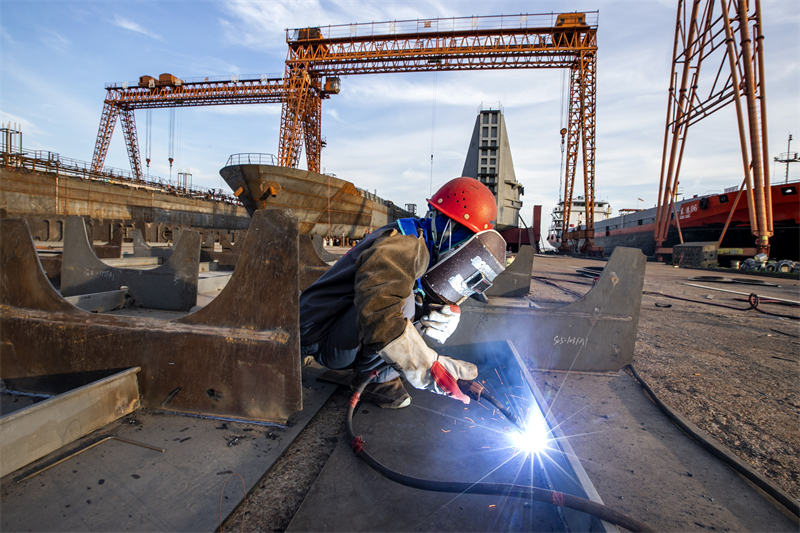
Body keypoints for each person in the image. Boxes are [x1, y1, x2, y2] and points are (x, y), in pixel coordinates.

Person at [299, 177, 504, 409]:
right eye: (461, 238)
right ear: (445, 225)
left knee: (414, 303)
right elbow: (378, 305)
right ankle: (375, 382)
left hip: (339, 333)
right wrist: (428, 367)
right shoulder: (405, 244)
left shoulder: (424, 244)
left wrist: (435, 310)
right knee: (401, 302)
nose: (460, 248)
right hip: (318, 336)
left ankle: (376, 375)